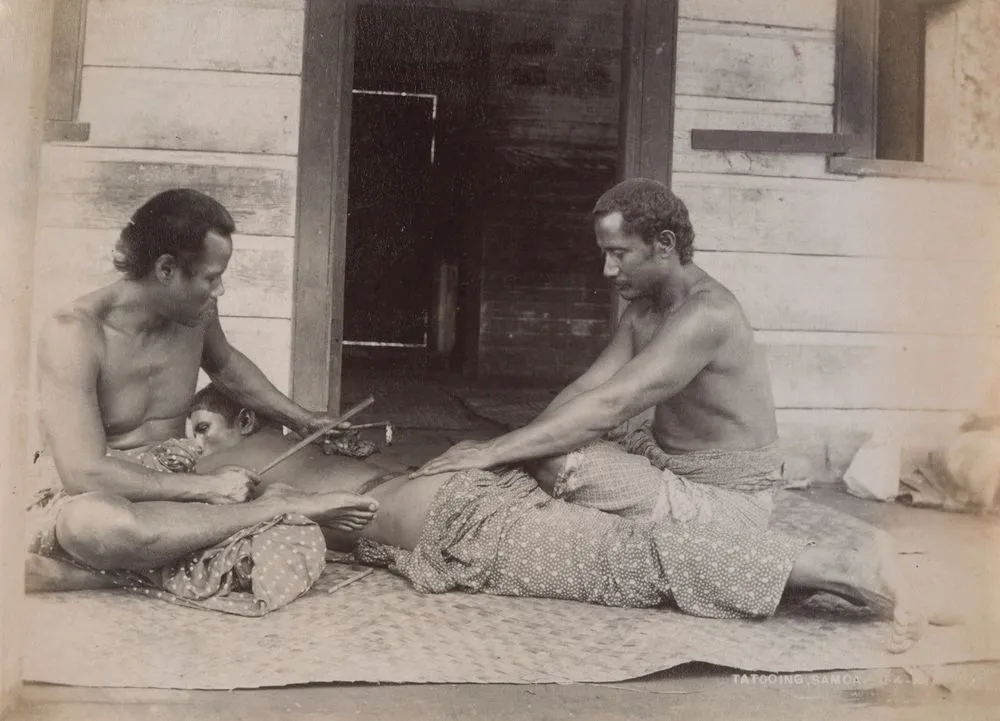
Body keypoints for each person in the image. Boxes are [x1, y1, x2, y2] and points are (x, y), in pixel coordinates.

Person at [186, 384, 922, 652]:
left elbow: (275, 501)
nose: (187, 450)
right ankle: (806, 572)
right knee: (627, 549)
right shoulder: (259, 457)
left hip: (454, 514)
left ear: (239, 419)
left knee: (628, 559)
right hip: (454, 505)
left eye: (198, 431)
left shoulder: (253, 464)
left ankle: (830, 567)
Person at [27, 188, 378, 594]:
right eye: (212, 277)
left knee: (292, 548)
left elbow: (226, 367)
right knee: (91, 525)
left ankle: (92, 574)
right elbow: (84, 473)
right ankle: (275, 508)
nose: (220, 291)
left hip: (176, 501)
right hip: (108, 493)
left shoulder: (195, 313)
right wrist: (206, 488)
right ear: (165, 270)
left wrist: (302, 420)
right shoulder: (73, 334)